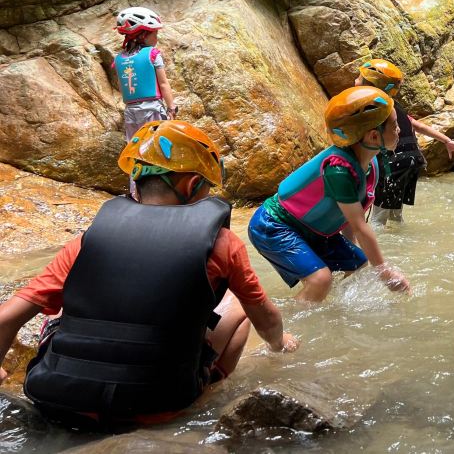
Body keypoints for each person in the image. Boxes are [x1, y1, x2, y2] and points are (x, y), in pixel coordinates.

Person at [0, 120, 297, 428]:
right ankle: (203, 400)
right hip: (155, 408)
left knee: (63, 308)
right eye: (207, 188)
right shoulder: (224, 245)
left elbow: (6, 318)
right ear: (192, 185)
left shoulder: (87, 241)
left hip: (60, 402)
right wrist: (280, 343)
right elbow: (266, 318)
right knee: (239, 309)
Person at [248, 86, 410, 302]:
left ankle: (333, 308)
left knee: (357, 262)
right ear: (373, 136)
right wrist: (385, 273)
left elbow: (349, 219)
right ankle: (287, 318)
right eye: (395, 125)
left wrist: (352, 250)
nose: (399, 130)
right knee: (320, 280)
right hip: (274, 225)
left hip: (311, 230)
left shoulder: (370, 164)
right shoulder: (339, 171)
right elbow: (360, 226)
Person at [354, 60, 454, 224]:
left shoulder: (373, 108)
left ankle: (378, 241)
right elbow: (418, 126)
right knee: (395, 215)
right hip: (411, 162)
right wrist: (447, 141)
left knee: (378, 219)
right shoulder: (395, 105)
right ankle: (400, 239)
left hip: (393, 163)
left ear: (370, 85)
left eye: (359, 78)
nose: (355, 80)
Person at [112, 6, 177, 138]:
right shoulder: (152, 54)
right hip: (152, 110)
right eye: (155, 34)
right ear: (143, 35)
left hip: (130, 113)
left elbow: (121, 86)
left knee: (136, 145)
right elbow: (163, 84)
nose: (156, 38)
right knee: (157, 144)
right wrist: (171, 108)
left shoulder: (119, 59)